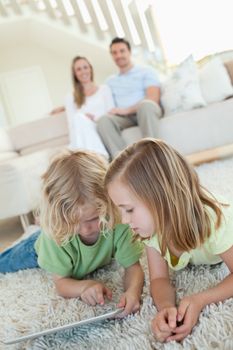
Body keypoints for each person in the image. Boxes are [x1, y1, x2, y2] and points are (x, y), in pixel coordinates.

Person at [104, 138, 233, 341]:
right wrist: (166, 308)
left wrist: (200, 299)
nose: (125, 220)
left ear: (161, 198)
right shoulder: (150, 228)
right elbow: (159, 278)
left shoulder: (214, 220)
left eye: (129, 209)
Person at [0, 150, 144, 317]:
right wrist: (84, 286)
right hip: (36, 249)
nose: (84, 229)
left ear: (110, 202)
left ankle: (41, 223)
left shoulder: (120, 222)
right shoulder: (54, 236)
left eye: (93, 218)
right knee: (4, 262)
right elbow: (61, 282)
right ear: (59, 216)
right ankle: (40, 226)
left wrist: (133, 292)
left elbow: (133, 267)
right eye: (72, 221)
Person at [97, 37, 162, 158]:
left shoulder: (146, 71)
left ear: (129, 52)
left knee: (146, 105)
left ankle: (153, 155)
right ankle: (122, 161)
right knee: (103, 120)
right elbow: (96, 99)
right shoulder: (110, 81)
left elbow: (153, 98)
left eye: (122, 51)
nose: (119, 55)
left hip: (145, 111)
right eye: (114, 53)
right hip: (124, 118)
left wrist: (127, 109)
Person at [52, 56, 115, 158]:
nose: (83, 71)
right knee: (79, 118)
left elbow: (111, 114)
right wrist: (83, 117)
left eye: (85, 67)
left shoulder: (104, 89)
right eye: (78, 69)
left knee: (79, 117)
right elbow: (72, 126)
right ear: (75, 74)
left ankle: (89, 158)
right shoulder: (70, 97)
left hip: (101, 127)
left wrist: (94, 118)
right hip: (83, 132)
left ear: (90, 68)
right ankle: (97, 157)